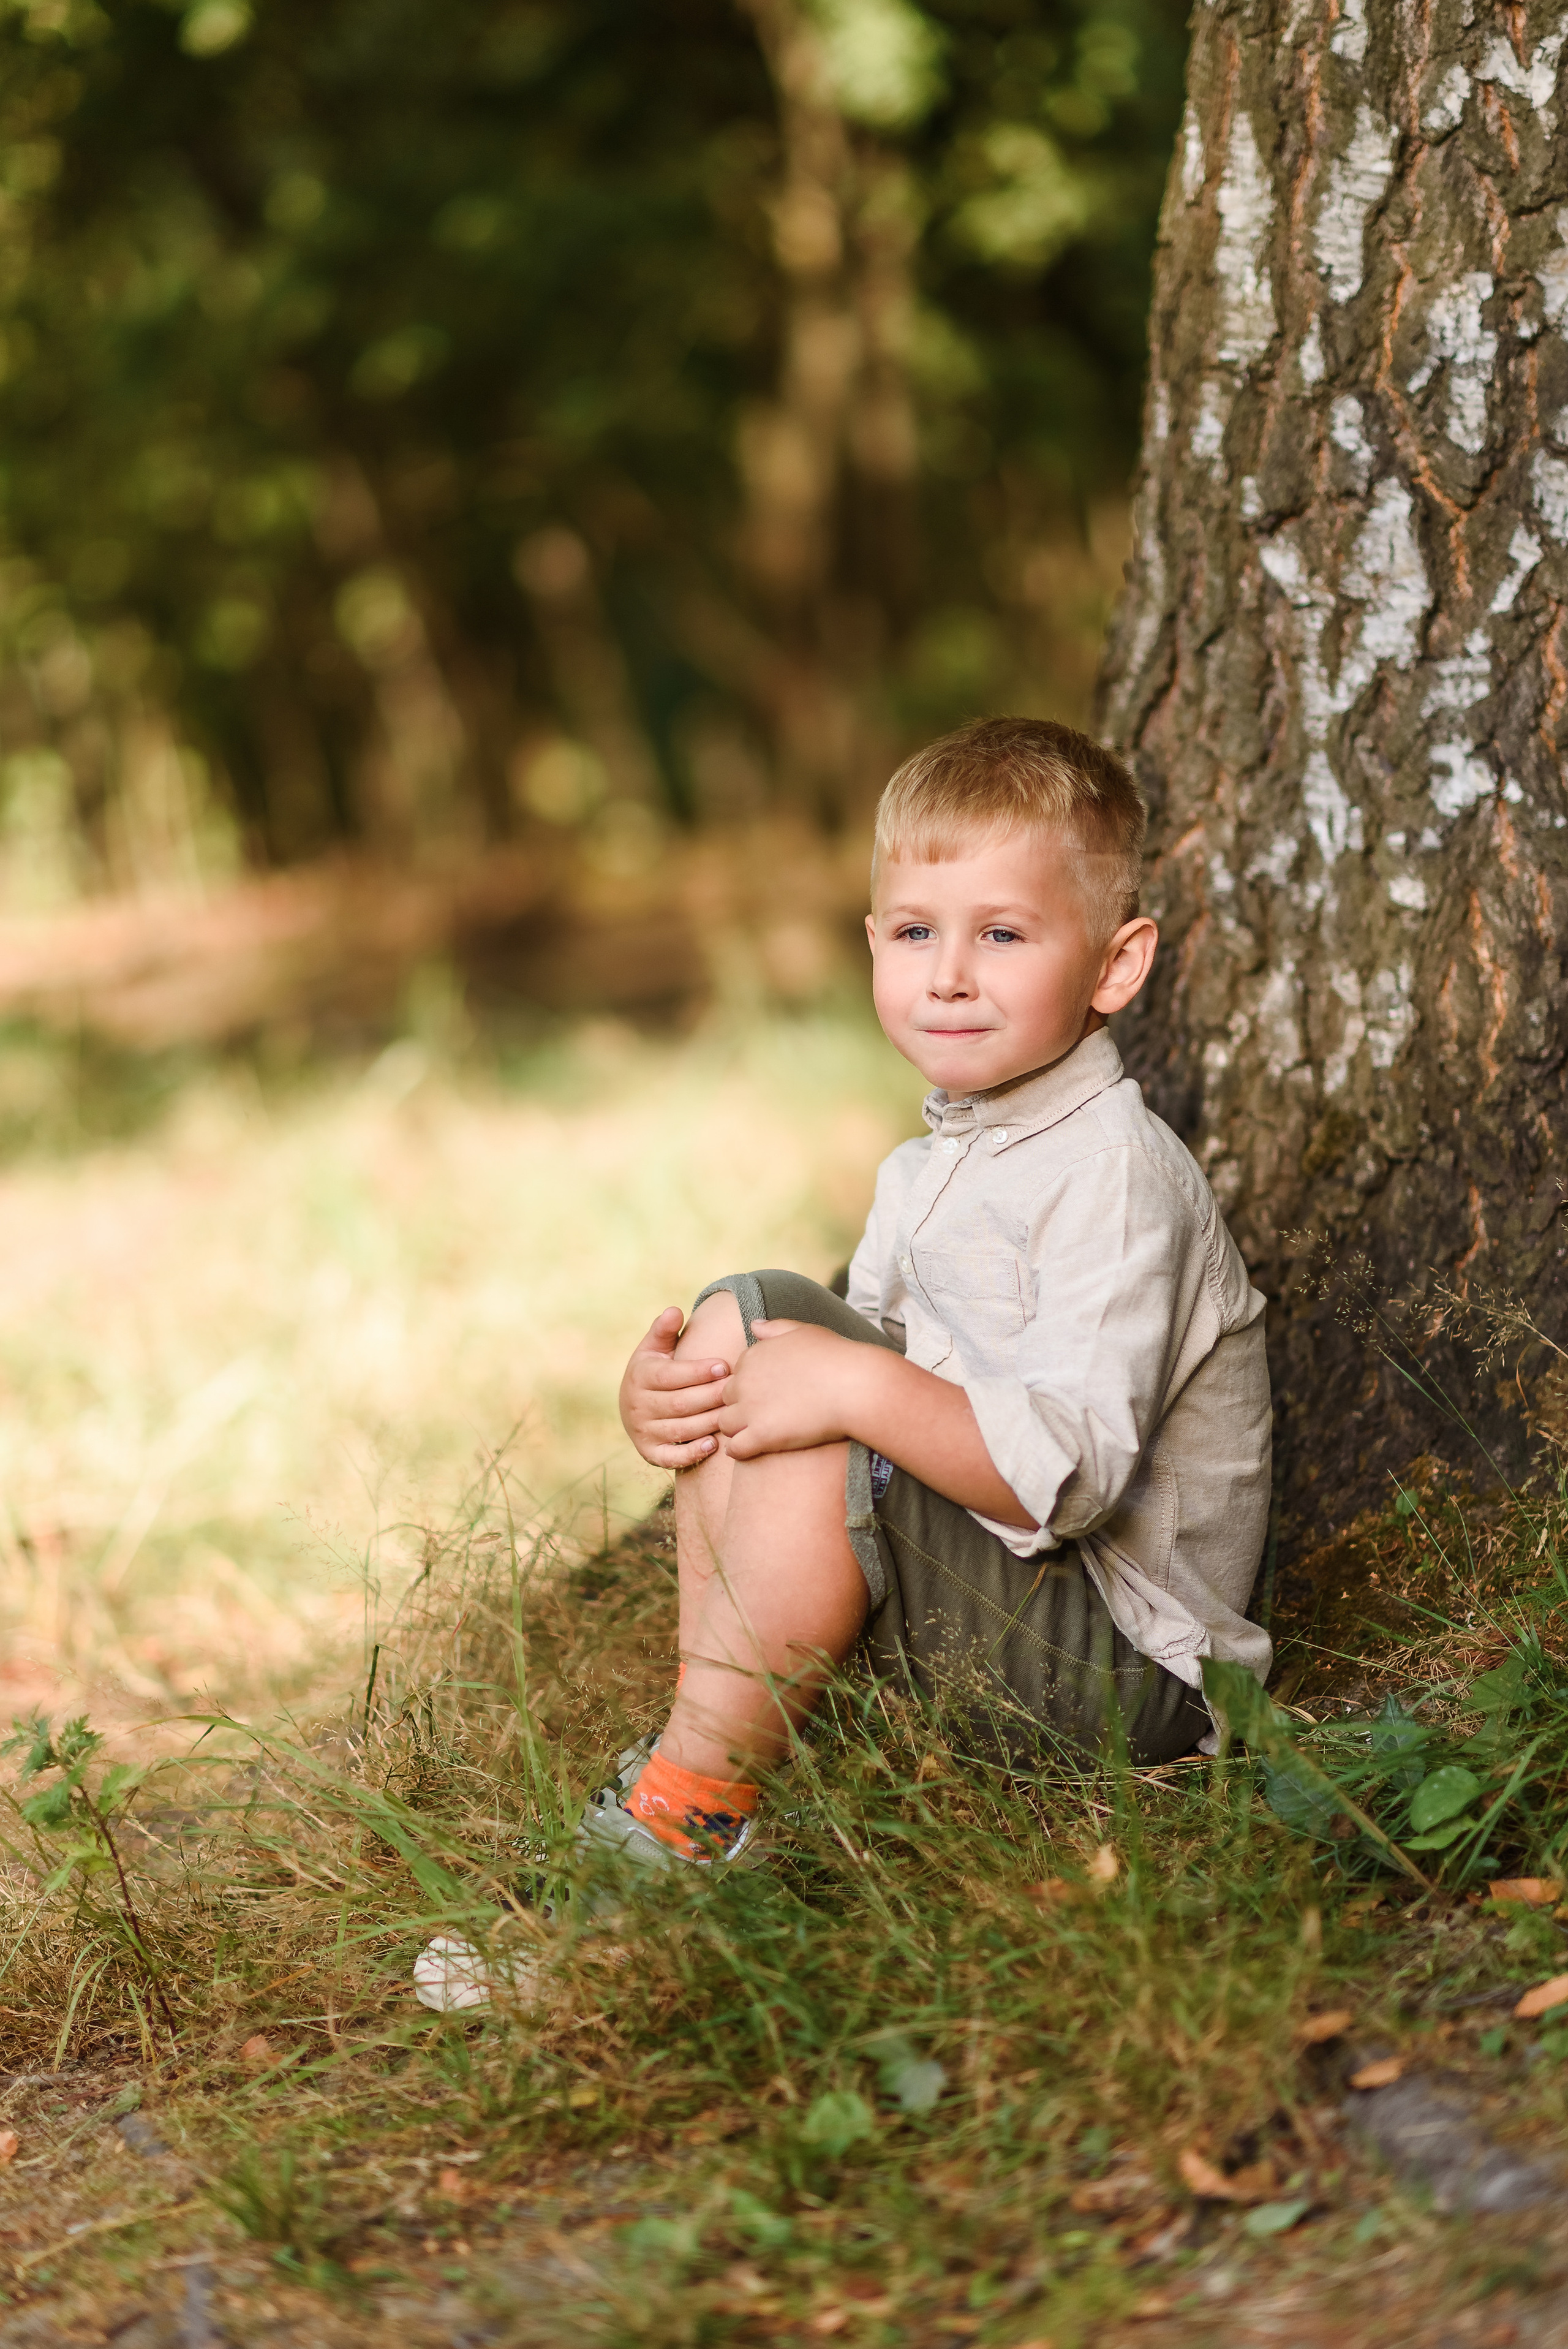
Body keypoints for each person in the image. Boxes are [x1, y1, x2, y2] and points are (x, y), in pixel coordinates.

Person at [602, 714, 1274, 1866]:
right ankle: (707, 1757)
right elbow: (856, 1380)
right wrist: (674, 1398)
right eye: (916, 931)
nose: (950, 975)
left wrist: (850, 1384)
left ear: (1115, 964)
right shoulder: (928, 1167)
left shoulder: (1113, 1177)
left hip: (1123, 1679)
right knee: (749, 1309)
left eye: (1003, 934)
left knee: (813, 1371)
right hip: (1002, 1615)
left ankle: (679, 1824)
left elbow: (1059, 1485)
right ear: (874, 944)